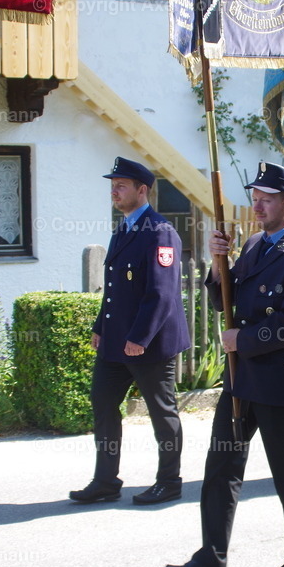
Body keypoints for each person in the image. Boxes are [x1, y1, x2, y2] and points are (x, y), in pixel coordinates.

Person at [163, 161, 284, 567]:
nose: (257, 206)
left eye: (266, 200)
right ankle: (211, 558)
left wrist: (242, 339)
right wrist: (220, 264)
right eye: (254, 199)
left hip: (280, 381)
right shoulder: (254, 245)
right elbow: (225, 301)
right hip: (242, 378)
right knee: (221, 468)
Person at [69, 156, 191, 505]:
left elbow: (162, 293)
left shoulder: (160, 231)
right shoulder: (123, 229)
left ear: (142, 190)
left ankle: (170, 480)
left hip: (148, 343)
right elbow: (115, 290)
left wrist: (139, 338)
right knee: (103, 403)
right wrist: (99, 328)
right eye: (112, 186)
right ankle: (106, 480)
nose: (114, 191)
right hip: (116, 340)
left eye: (121, 186)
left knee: (161, 411)